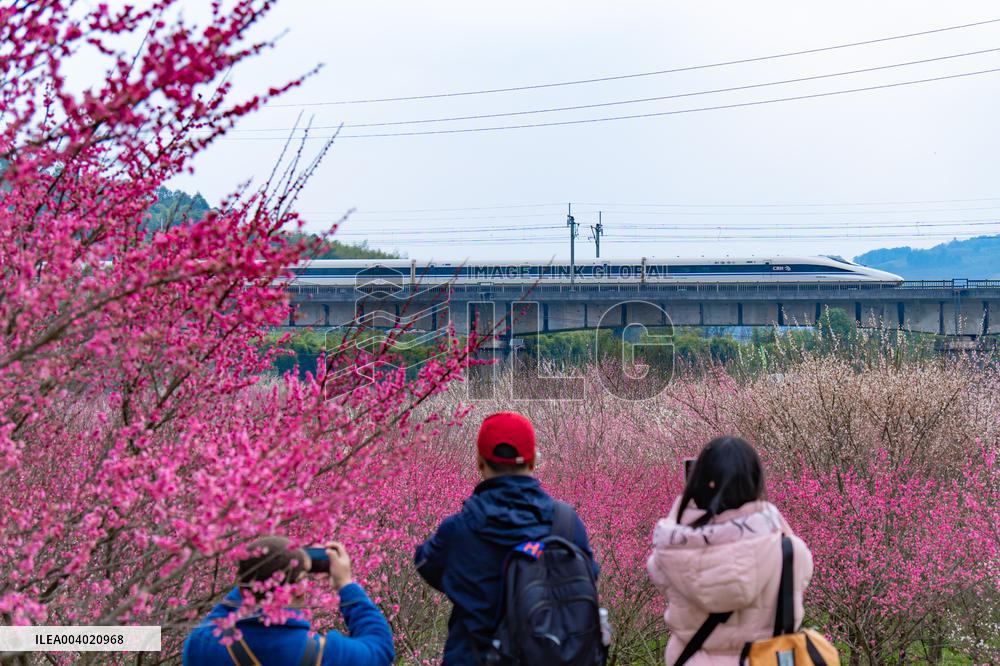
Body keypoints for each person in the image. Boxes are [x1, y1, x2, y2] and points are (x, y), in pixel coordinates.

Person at [415, 411, 600, 665]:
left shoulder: (458, 532)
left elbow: (427, 564)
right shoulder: (566, 525)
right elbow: (589, 578)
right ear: (533, 461)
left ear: (479, 461)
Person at [646, 436, 813, 666]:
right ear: (755, 481)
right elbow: (799, 561)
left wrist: (684, 512)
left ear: (697, 482)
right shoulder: (790, 554)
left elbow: (657, 565)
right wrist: (768, 514)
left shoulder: (671, 553)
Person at [183, 536, 394, 666]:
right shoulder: (323, 654)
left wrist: (263, 569)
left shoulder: (203, 645)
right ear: (300, 588)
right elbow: (380, 648)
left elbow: (225, 610)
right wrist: (346, 585)